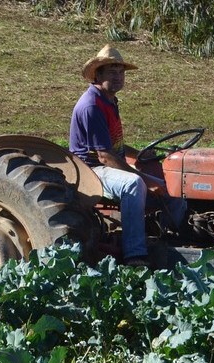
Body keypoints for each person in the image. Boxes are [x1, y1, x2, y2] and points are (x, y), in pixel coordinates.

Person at [69, 44, 186, 266]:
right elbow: (104, 156)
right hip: (91, 171)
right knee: (133, 184)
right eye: (112, 72)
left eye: (121, 72)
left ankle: (169, 240)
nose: (118, 77)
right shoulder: (91, 106)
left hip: (107, 164)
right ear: (98, 74)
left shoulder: (109, 101)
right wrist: (145, 179)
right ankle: (135, 255)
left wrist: (139, 153)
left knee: (175, 188)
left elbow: (114, 145)